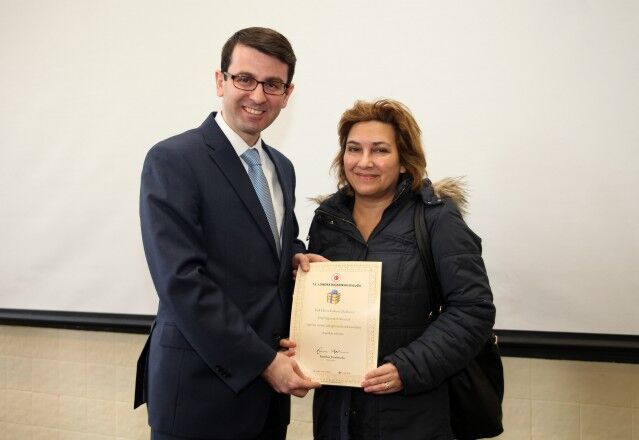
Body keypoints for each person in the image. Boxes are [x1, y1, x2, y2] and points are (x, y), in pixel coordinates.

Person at [134, 27, 321, 440]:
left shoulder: (282, 167)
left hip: (267, 405)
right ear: (220, 81)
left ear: (287, 94)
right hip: (200, 395)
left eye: (272, 84)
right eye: (245, 79)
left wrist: (295, 256)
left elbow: (275, 242)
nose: (258, 95)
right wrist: (264, 362)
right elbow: (181, 281)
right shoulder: (173, 159)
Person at [306, 99, 496, 439]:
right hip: (337, 418)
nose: (364, 161)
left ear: (405, 161)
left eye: (380, 150)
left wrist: (407, 368)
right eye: (354, 149)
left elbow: (473, 310)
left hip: (414, 416)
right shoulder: (327, 221)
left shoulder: (437, 218)